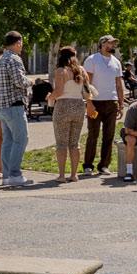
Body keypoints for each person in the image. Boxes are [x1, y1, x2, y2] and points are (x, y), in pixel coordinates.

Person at [0, 33, 31, 189]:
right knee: (21, 139)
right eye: (21, 43)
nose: (22, 46)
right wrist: (31, 81)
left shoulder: (0, 60)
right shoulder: (14, 59)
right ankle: (15, 174)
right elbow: (19, 81)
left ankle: (7, 175)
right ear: (17, 43)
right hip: (14, 105)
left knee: (7, 141)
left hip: (1, 106)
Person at [82, 35, 126, 177]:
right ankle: (88, 165)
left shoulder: (116, 62)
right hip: (96, 102)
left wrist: (121, 103)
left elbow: (119, 84)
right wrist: (88, 103)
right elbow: (86, 83)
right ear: (102, 44)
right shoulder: (92, 60)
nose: (112, 46)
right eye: (110, 43)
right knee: (93, 134)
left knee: (109, 135)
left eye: (113, 44)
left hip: (111, 102)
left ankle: (104, 165)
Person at [48, 45, 89, 183]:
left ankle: (61, 175)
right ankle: (74, 174)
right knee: (74, 143)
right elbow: (87, 91)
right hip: (78, 105)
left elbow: (59, 91)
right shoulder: (81, 70)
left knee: (61, 143)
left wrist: (50, 97)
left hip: (63, 106)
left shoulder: (61, 71)